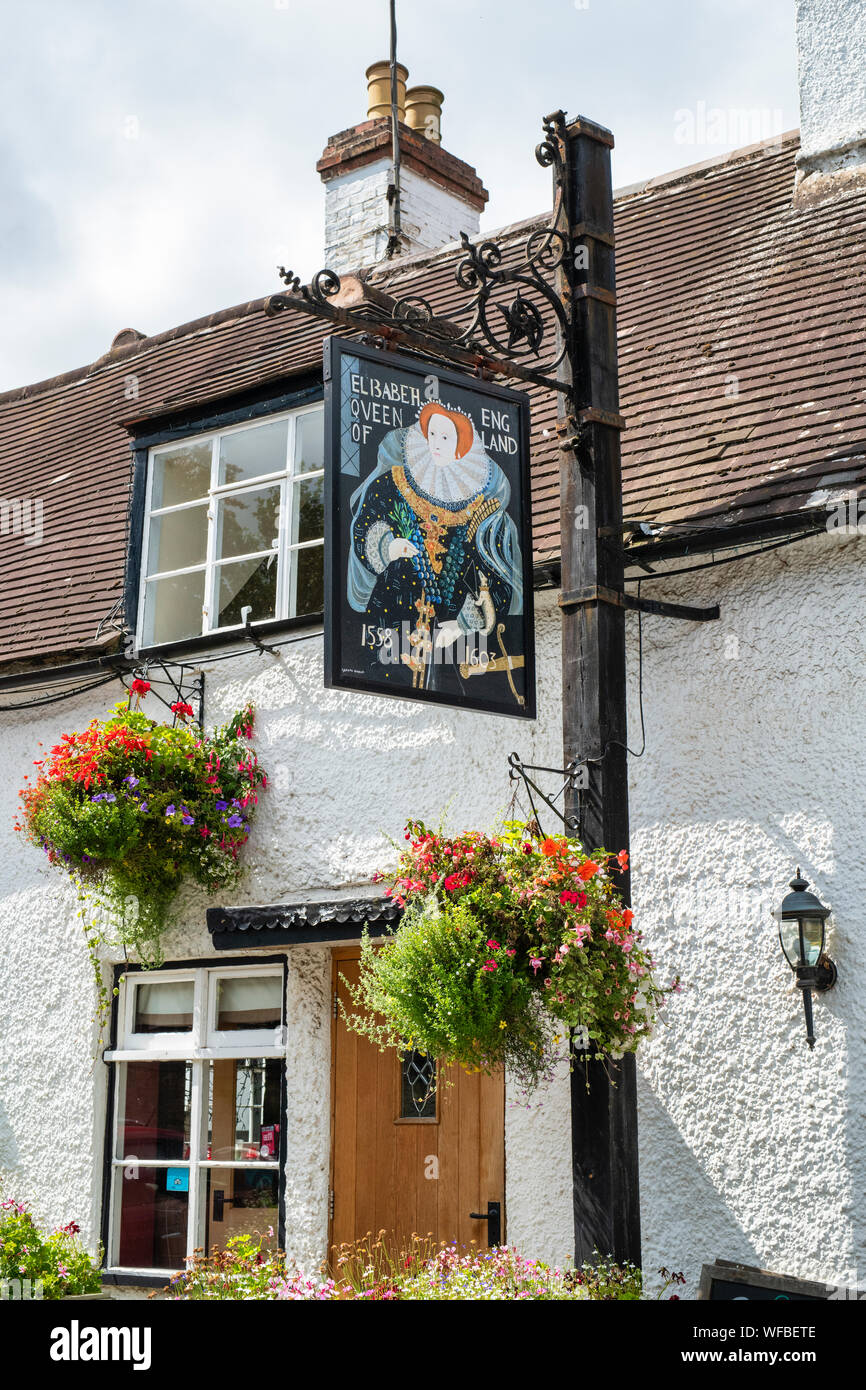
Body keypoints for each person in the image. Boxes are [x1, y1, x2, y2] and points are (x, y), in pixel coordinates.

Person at [347, 400, 524, 699]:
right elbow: (365, 525)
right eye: (433, 435)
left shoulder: (486, 511)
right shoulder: (394, 483)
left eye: (446, 437)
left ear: (461, 446)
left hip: (457, 656)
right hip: (391, 633)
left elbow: (499, 581)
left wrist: (465, 622)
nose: (437, 444)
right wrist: (387, 546)